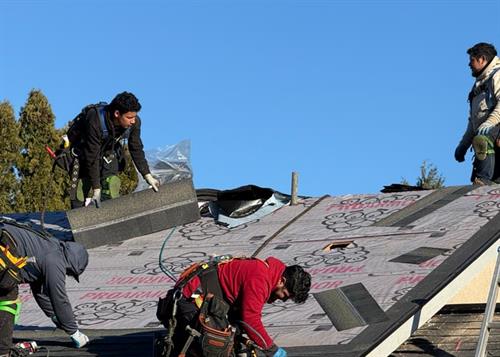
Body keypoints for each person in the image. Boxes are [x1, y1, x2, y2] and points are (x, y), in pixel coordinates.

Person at [157, 256, 311, 357]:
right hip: (188, 302)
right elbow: (250, 319)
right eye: (285, 295)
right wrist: (272, 350)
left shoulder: (269, 272)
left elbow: (243, 316)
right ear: (282, 281)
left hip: (204, 299)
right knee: (215, 346)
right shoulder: (260, 279)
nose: (283, 300)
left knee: (233, 335)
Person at [0, 219, 90, 356]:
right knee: (8, 296)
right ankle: (3, 352)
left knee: (8, 287)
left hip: (4, 239)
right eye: (70, 273)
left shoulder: (51, 246)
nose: (67, 275)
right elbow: (59, 299)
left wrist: (55, 317)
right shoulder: (55, 260)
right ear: (72, 264)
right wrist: (74, 331)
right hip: (3, 244)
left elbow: (40, 291)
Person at [70, 91, 159, 208]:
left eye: (134, 116)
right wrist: (96, 189)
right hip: (83, 155)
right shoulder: (95, 119)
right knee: (81, 191)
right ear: (117, 113)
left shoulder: (134, 122)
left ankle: (108, 216)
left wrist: (148, 176)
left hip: (108, 154)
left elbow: (136, 148)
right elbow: (92, 157)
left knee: (111, 184)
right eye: (129, 117)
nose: (133, 121)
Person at [455, 42, 500, 185]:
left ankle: (484, 181)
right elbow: (474, 122)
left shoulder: (497, 75)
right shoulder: (478, 86)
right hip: (489, 141)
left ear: (482, 59)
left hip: (494, 133)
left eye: (472, 61)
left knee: (481, 139)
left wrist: (489, 123)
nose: (469, 65)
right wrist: (463, 145)